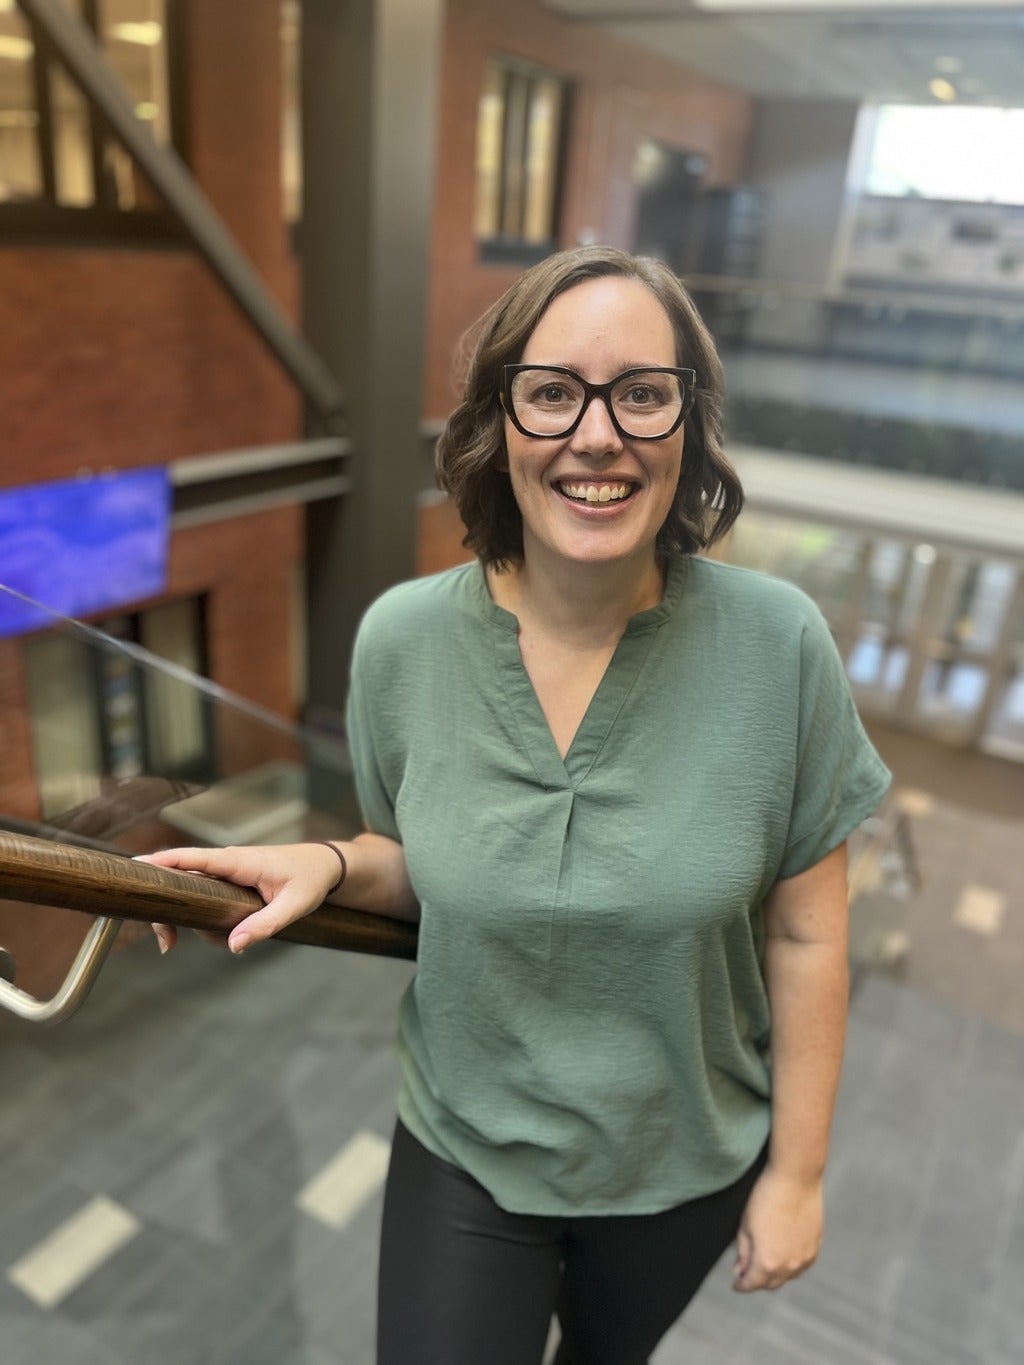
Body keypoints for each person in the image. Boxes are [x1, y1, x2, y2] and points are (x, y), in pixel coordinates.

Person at [144, 245, 891, 1364]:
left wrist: (797, 1175)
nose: (598, 435)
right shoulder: (401, 641)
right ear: (501, 425)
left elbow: (807, 929)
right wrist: (337, 865)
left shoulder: (777, 645)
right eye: (552, 393)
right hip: (466, 1151)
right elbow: (420, 857)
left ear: (688, 424)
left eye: (642, 393)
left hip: (678, 1168)